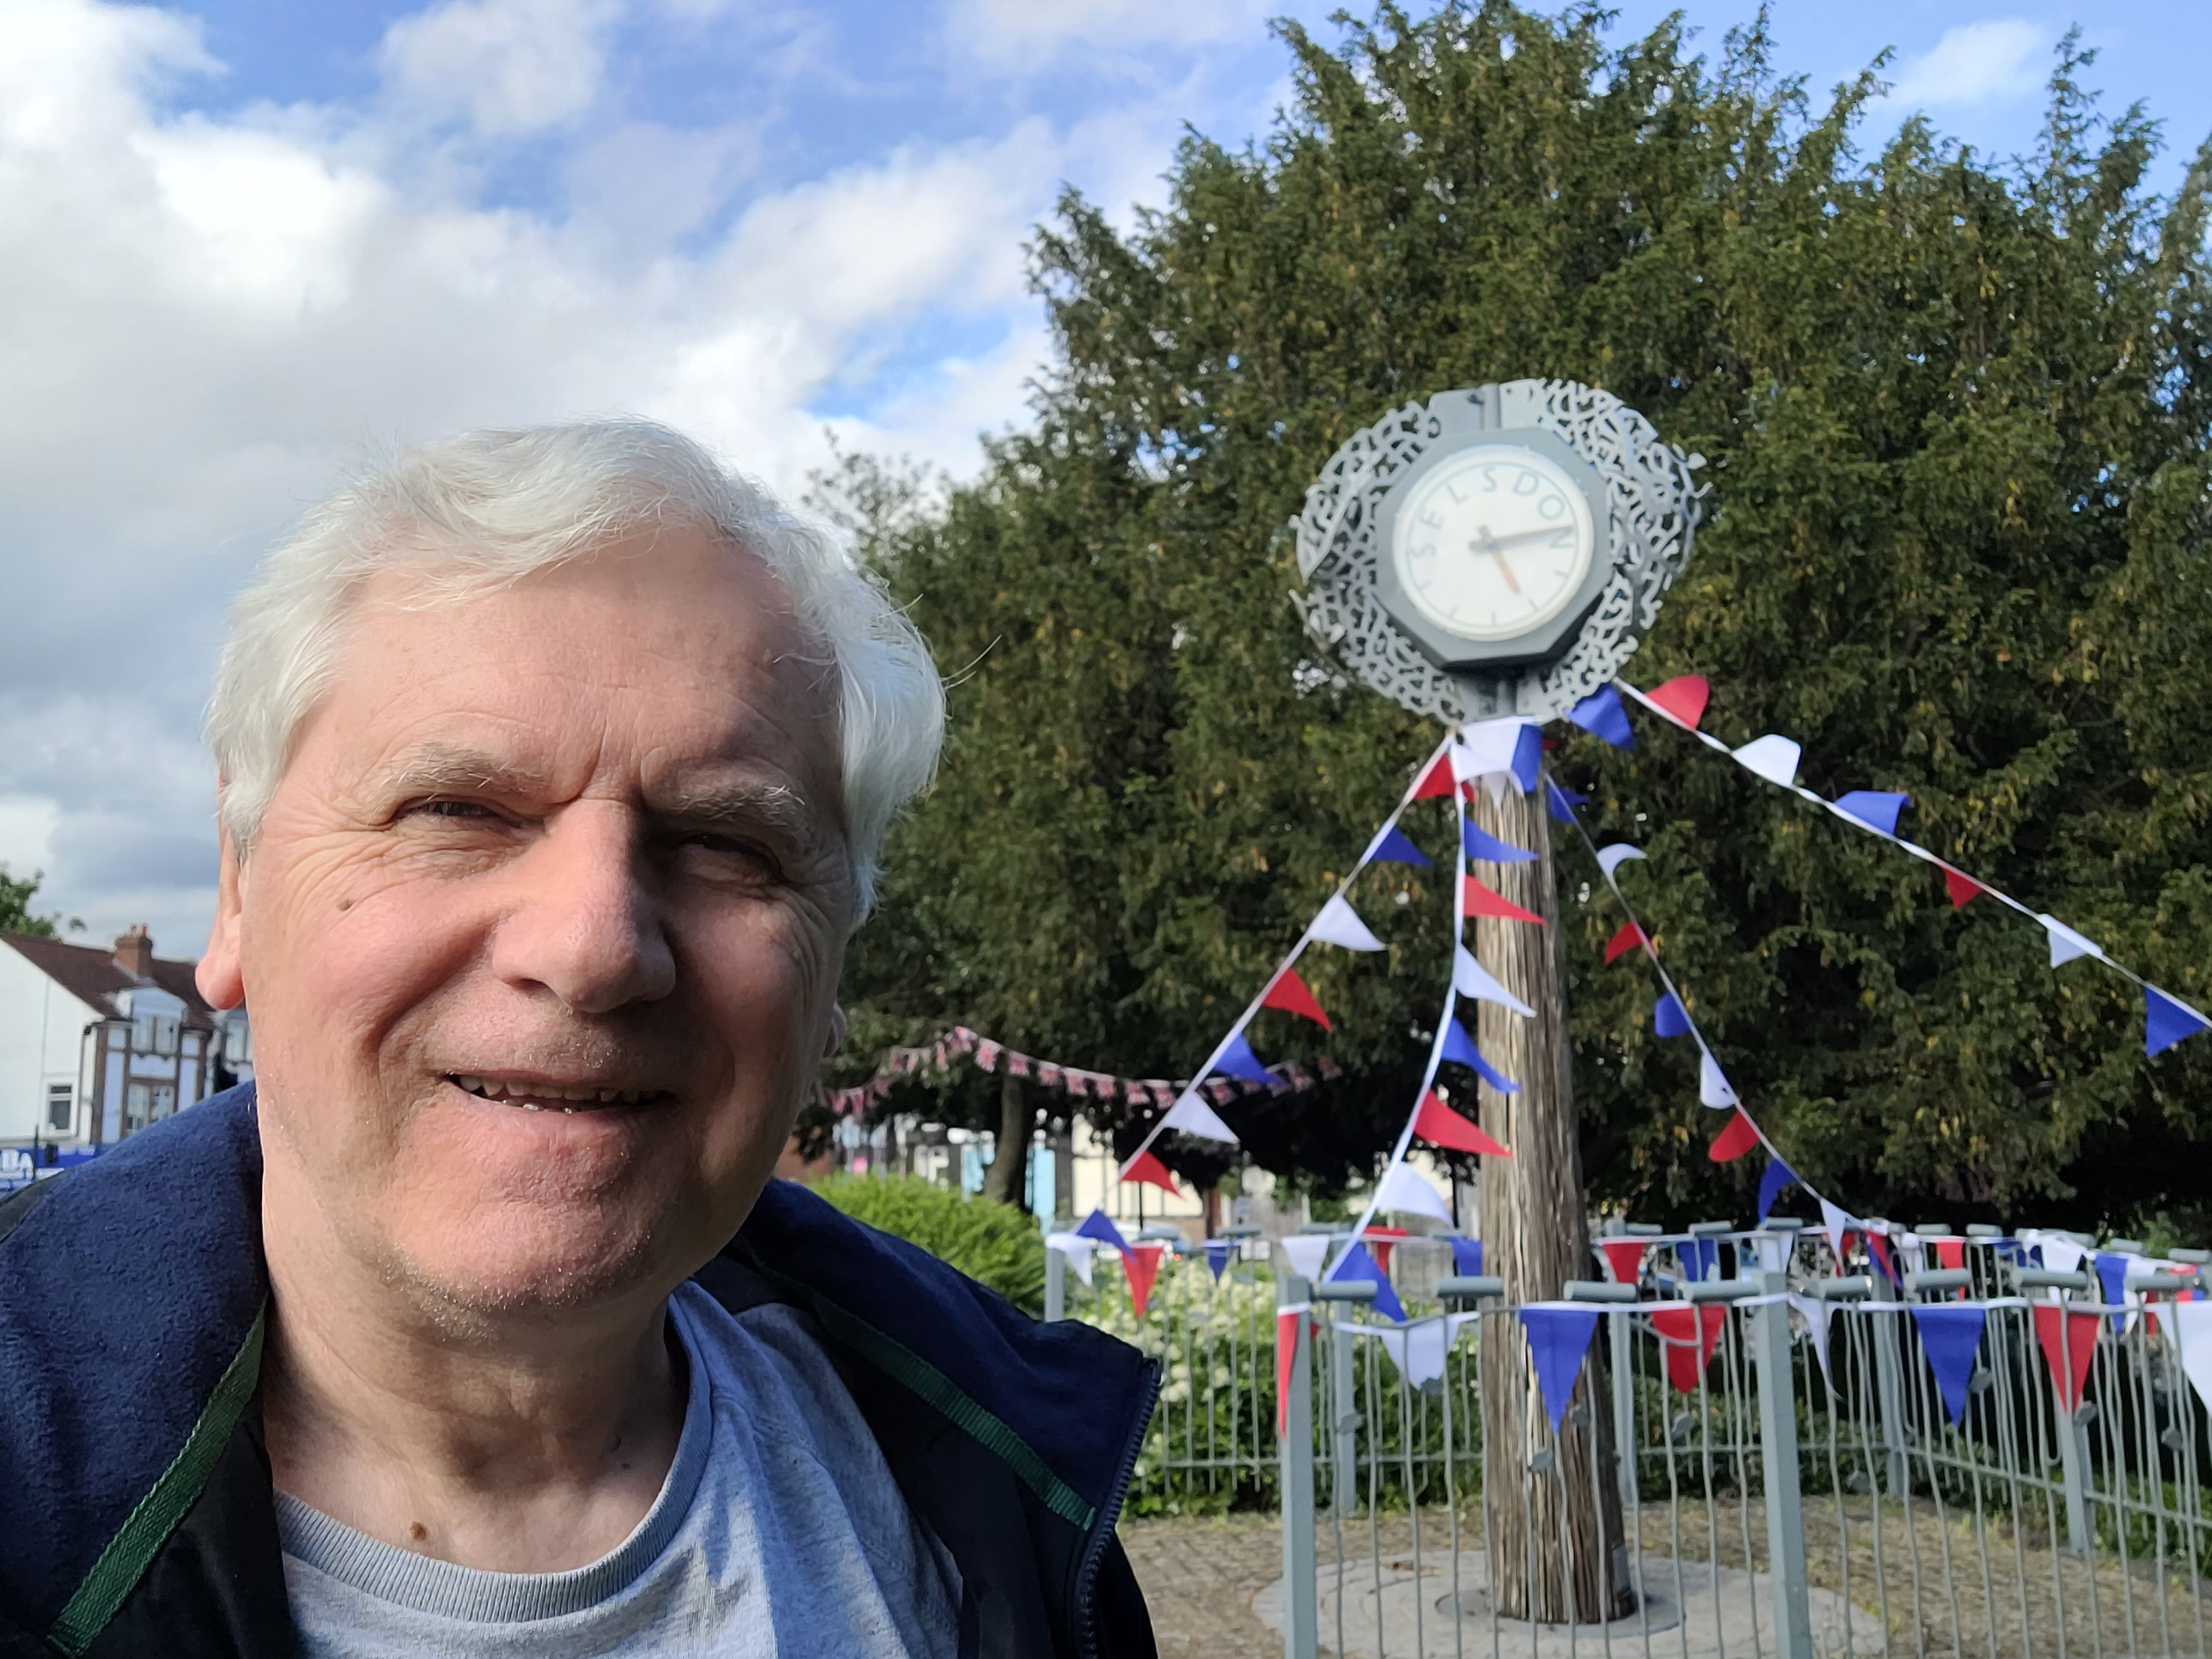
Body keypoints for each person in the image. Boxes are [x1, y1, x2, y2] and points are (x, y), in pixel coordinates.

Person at [0, 422, 1160, 1657]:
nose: (598, 946)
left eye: (727, 842)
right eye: (456, 810)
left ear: (831, 978)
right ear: (237, 892)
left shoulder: (998, 1483)